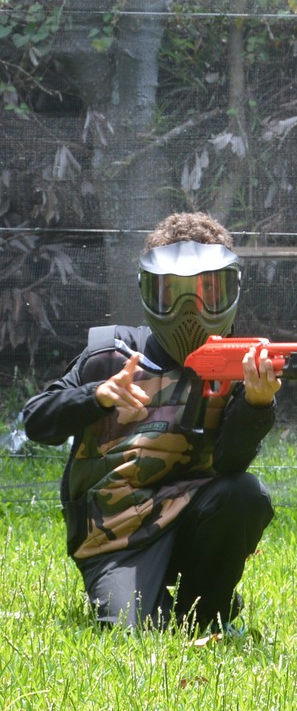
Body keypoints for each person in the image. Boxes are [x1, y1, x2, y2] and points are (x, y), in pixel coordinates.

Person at [20, 212, 279, 632]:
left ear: (231, 292)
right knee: (135, 633)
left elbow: (231, 468)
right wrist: (97, 396)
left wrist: (256, 405)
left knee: (245, 494)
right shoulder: (112, 355)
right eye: (171, 294)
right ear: (148, 292)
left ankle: (208, 609)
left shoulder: (238, 368)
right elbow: (37, 422)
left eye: (207, 294)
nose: (189, 312)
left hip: (191, 518)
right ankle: (157, 600)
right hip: (116, 536)